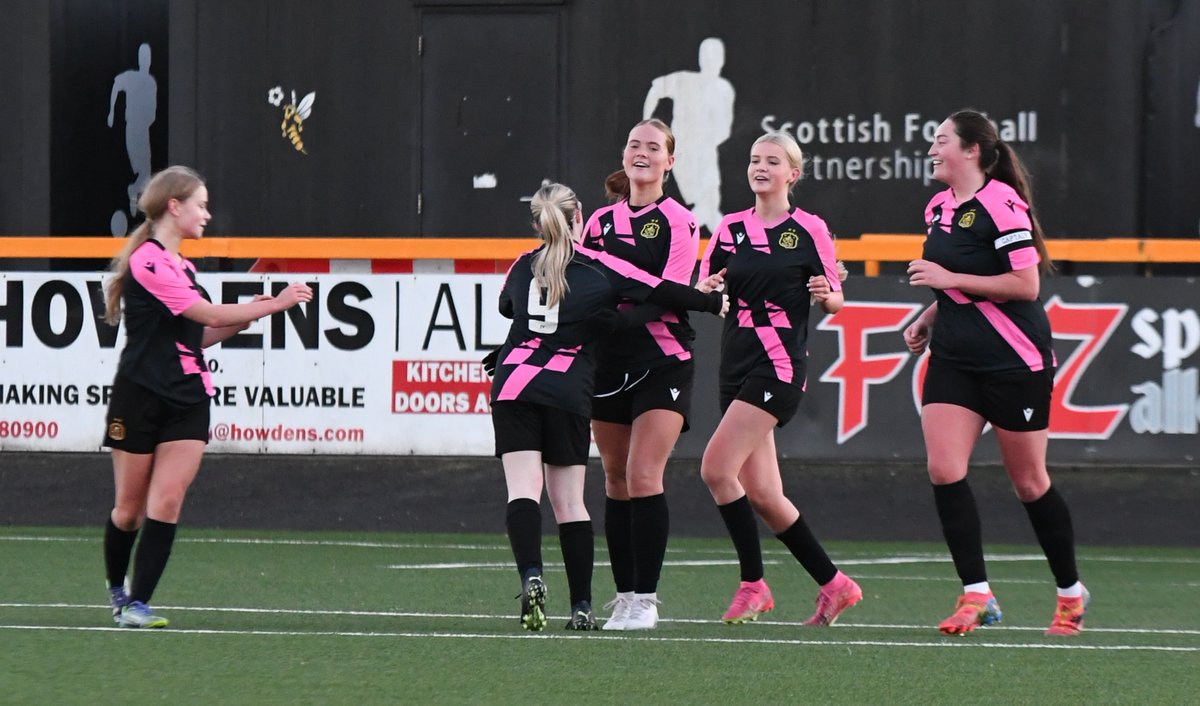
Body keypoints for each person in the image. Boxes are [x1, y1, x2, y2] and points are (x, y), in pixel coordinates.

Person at [489, 181, 726, 632]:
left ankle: (532, 575)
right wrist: (712, 301)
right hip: (567, 389)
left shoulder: (522, 266)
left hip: (514, 381)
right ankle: (582, 606)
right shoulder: (598, 267)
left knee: (523, 491)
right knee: (571, 504)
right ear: (580, 218)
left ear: (539, 224)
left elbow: (507, 308)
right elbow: (662, 291)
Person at [101, 166, 313, 628]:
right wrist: (273, 302)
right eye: (200, 204)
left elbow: (201, 333)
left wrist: (248, 317)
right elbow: (203, 310)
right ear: (173, 207)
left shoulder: (184, 266)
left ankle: (138, 604)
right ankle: (117, 590)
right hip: (140, 394)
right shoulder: (149, 260)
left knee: (169, 500)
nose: (207, 214)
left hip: (188, 395)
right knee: (129, 511)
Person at [904, 109, 1088, 636]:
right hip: (956, 359)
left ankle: (1071, 595)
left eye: (941, 140)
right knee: (944, 469)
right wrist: (931, 314)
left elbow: (1026, 285)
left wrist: (946, 277)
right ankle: (977, 595)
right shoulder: (939, 206)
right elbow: (960, 284)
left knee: (1029, 483)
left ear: (972, 151)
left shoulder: (1003, 203)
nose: (933, 148)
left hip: (1014, 359)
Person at [698, 132, 862, 626]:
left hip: (779, 366)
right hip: (736, 365)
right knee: (766, 497)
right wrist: (705, 289)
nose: (760, 167)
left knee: (715, 469)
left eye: (773, 161)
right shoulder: (729, 229)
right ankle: (835, 584)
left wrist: (826, 293)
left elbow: (834, 295)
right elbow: (707, 284)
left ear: (793, 173)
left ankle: (753, 585)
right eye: (754, 160)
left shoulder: (808, 228)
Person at [581, 119, 700, 631]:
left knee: (643, 473)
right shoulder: (598, 223)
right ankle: (625, 595)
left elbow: (669, 293)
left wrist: (620, 312)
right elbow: (584, 287)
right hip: (608, 363)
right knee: (613, 477)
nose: (642, 153)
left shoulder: (679, 221)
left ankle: (647, 600)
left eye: (654, 147)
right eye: (634, 145)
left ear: (669, 163)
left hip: (663, 359)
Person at [642, 38, 735, 234]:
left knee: (710, 204)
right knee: (708, 204)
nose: (710, 61)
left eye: (714, 57)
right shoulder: (685, 80)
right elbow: (656, 90)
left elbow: (724, 127)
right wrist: (646, 123)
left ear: (722, 60)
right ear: (701, 59)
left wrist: (707, 141)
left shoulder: (724, 89)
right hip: (684, 153)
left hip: (706, 152)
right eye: (706, 56)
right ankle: (679, 236)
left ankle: (722, 246)